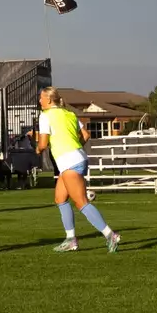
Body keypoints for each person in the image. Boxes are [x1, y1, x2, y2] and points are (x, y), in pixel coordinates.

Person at [36, 87, 120, 253]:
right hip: (78, 158)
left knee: (81, 202)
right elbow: (86, 135)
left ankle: (110, 234)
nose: (39, 101)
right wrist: (75, 149)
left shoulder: (45, 116)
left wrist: (38, 149)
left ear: (49, 100)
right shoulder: (70, 114)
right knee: (60, 199)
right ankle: (70, 239)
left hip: (69, 162)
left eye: (41, 98)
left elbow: (43, 144)